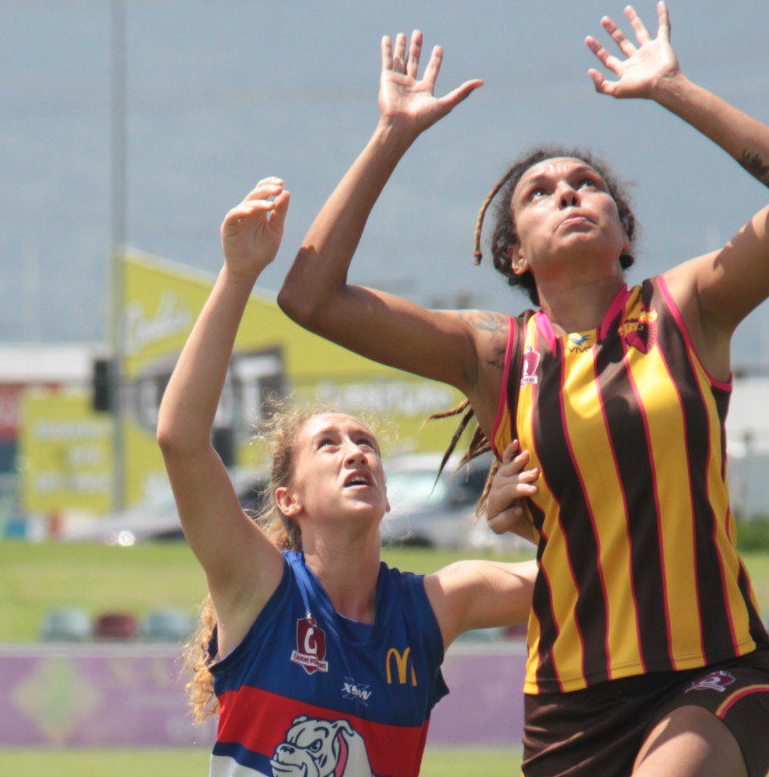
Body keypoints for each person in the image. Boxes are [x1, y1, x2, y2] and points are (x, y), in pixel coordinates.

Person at [278, 3, 769, 777]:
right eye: (541, 192)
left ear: (624, 231)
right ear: (513, 254)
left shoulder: (689, 310)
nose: (571, 193)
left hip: (714, 668)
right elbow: (310, 297)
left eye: (589, 185)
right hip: (571, 697)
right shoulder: (494, 357)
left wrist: (673, 89)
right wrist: (393, 135)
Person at [158, 178, 535, 777]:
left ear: (387, 496)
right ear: (289, 499)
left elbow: (591, 579)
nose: (354, 453)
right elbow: (180, 440)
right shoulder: (259, 588)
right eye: (327, 446)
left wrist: (529, 525)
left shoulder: (436, 606)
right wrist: (237, 275)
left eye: (365, 444)